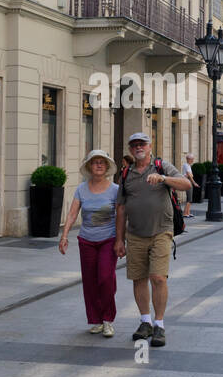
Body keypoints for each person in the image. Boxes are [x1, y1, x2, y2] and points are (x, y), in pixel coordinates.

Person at [115, 133, 190, 348]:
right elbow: (120, 208)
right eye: (134, 145)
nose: (138, 147)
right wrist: (119, 239)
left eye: (142, 144)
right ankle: (145, 321)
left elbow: (186, 184)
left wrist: (164, 179)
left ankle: (159, 324)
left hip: (161, 231)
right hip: (135, 234)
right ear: (131, 150)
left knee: (158, 277)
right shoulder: (126, 173)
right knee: (138, 278)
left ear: (150, 147)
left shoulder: (161, 166)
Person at [60, 149, 119, 337]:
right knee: (90, 282)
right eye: (95, 162)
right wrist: (64, 236)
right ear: (89, 167)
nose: (99, 165)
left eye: (102, 162)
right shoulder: (81, 189)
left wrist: (121, 239)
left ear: (107, 167)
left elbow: (121, 217)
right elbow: (72, 214)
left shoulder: (115, 190)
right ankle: (96, 320)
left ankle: (108, 319)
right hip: (86, 241)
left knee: (105, 279)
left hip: (108, 240)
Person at [182, 153, 196, 217]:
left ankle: (188, 212)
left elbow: (190, 175)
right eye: (191, 159)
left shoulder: (188, 165)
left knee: (190, 199)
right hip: (188, 182)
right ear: (188, 159)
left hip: (189, 182)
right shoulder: (186, 165)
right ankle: (185, 213)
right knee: (189, 199)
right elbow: (189, 175)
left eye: (193, 159)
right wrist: (194, 183)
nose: (193, 160)